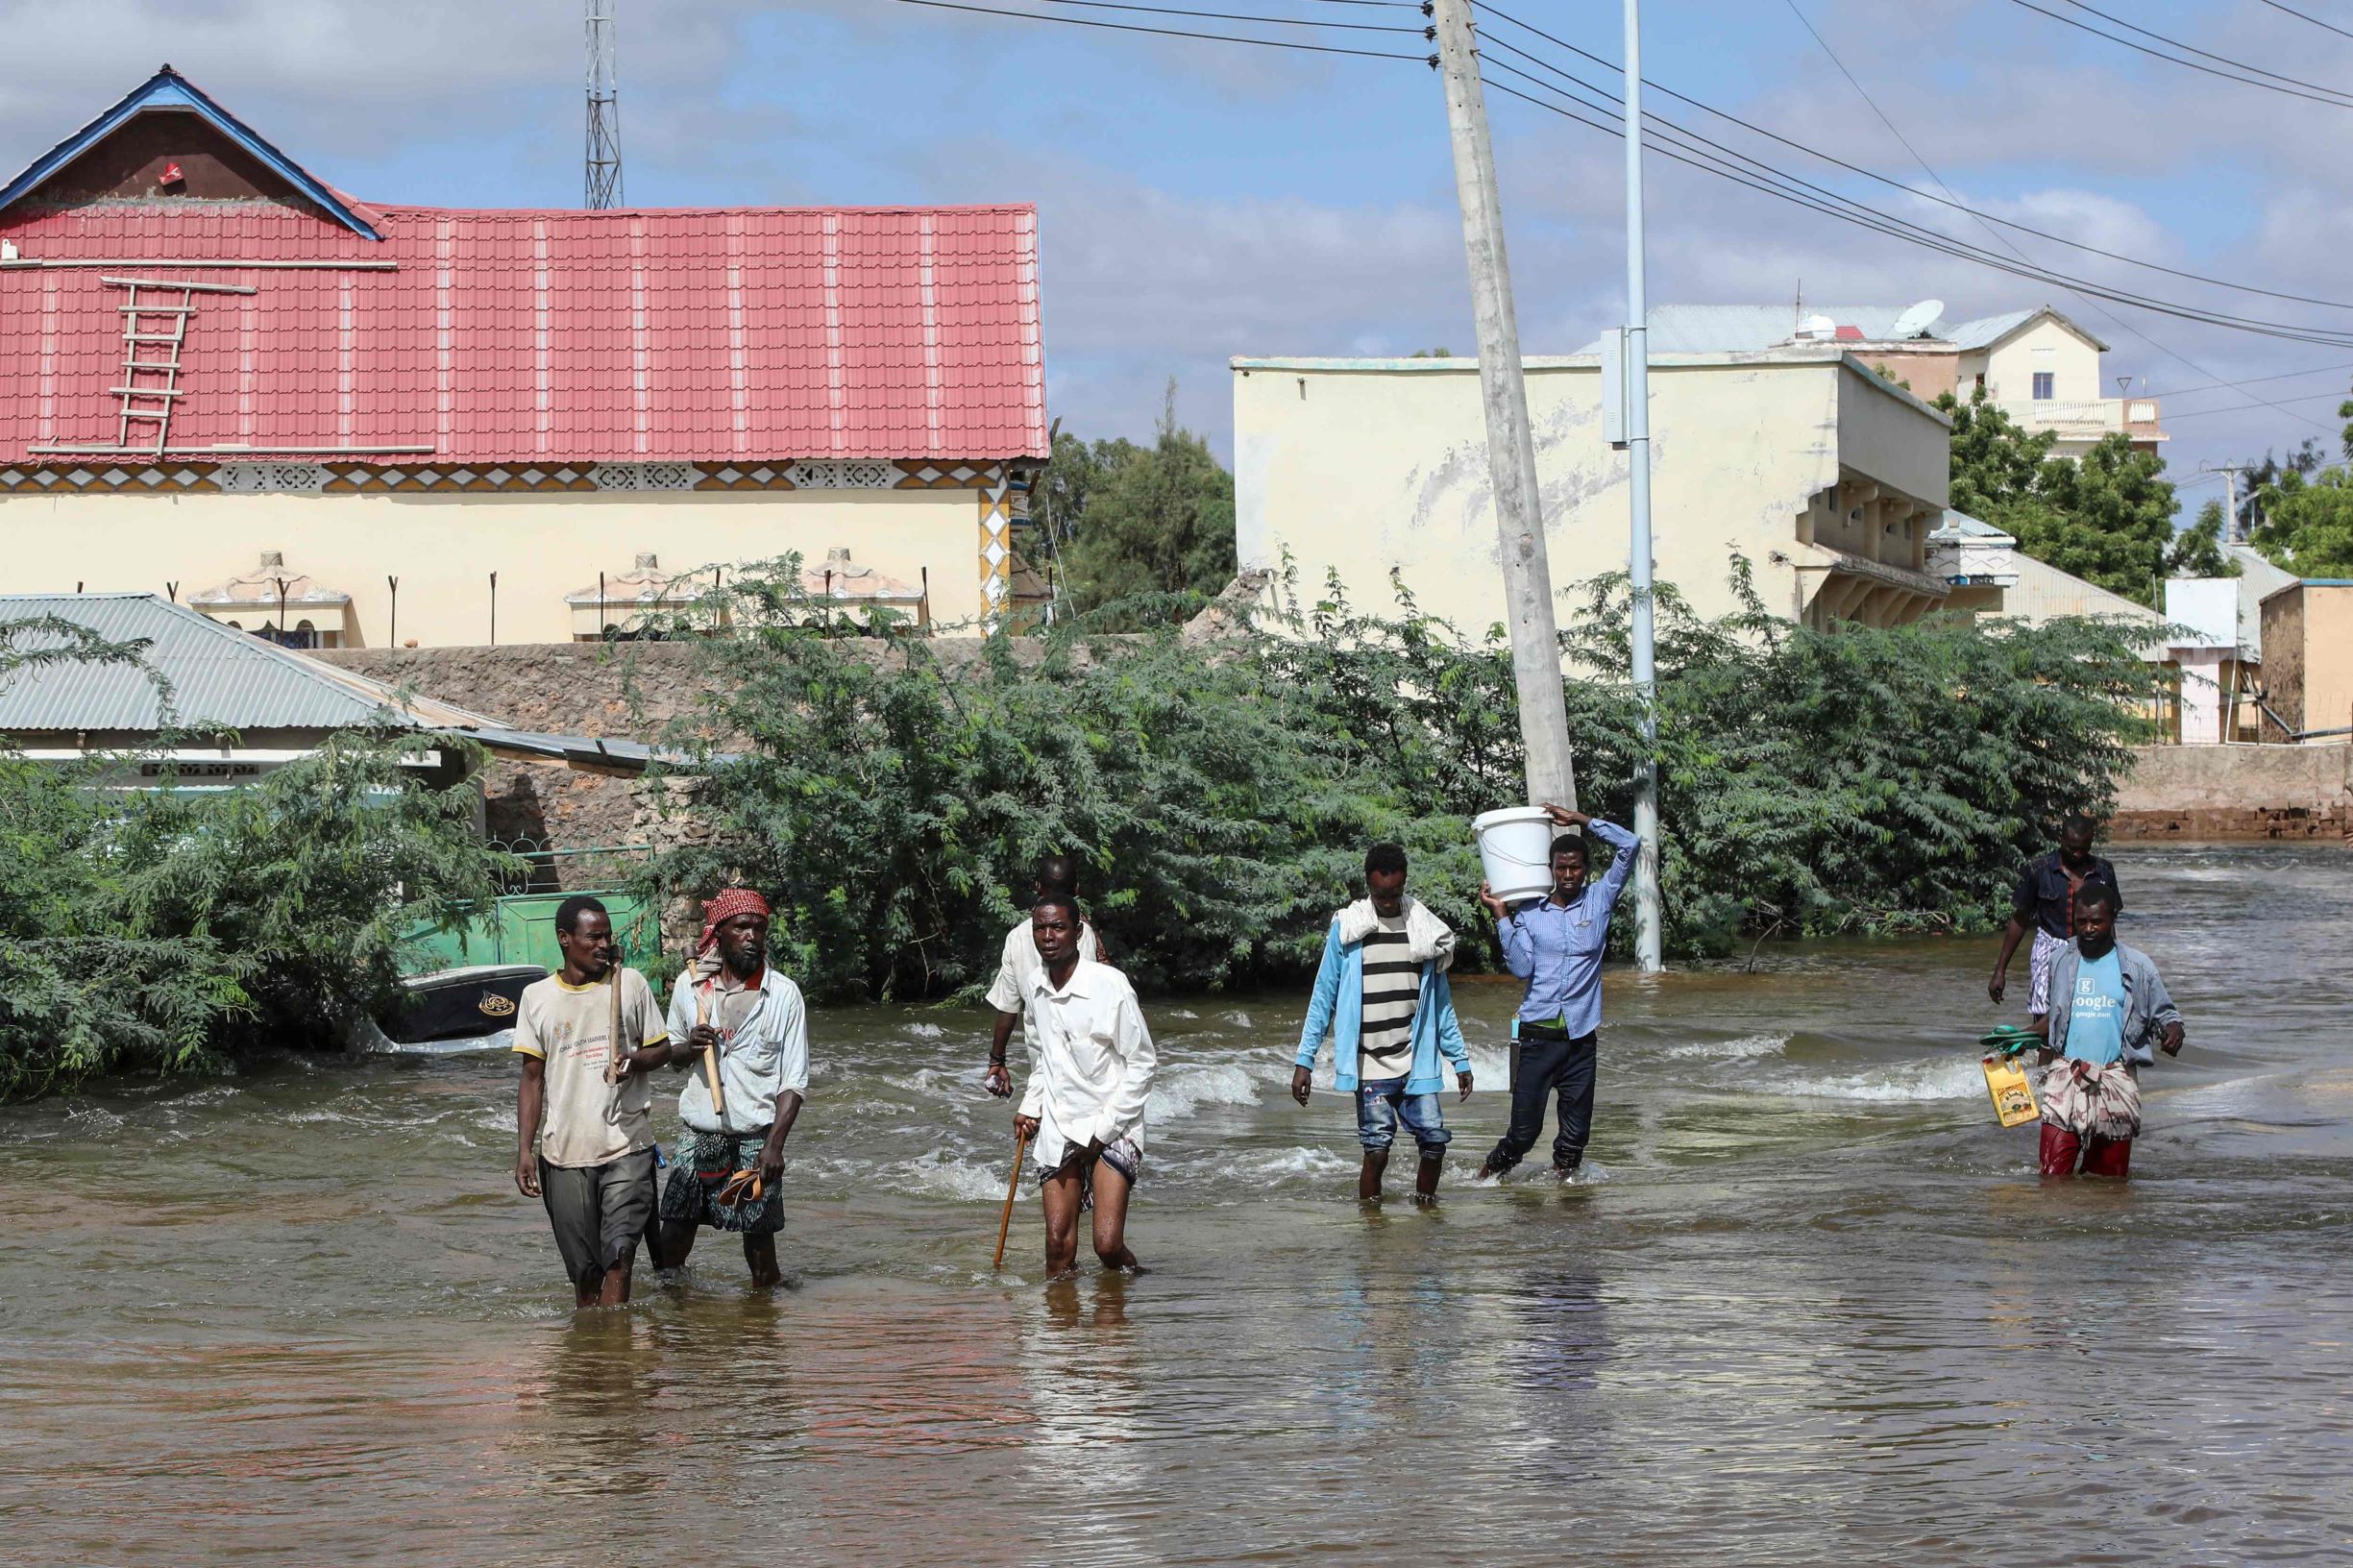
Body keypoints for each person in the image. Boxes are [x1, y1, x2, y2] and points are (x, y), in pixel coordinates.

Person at [1289, 842, 1474, 1203]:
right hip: (1369, 1066)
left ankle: (1427, 1217)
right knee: (1376, 1151)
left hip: (1415, 1061)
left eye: (1396, 893)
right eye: (1380, 895)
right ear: (1368, 886)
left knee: (1435, 1143)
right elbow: (1323, 998)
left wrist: (1459, 1058)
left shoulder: (1424, 930)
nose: (1388, 902)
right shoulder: (1349, 930)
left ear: (1404, 884)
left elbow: (1441, 1004)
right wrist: (1304, 1061)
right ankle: (1371, 1225)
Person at [511, 895, 673, 1308]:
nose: (603, 945)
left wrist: (634, 1061)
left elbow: (662, 1049)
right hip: (565, 1153)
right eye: (593, 937)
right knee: (585, 1277)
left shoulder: (629, 983)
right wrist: (525, 1151)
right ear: (565, 939)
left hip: (626, 1145)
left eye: (607, 937)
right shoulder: (536, 997)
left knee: (619, 1256)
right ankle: (591, 1346)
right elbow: (532, 1078)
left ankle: (615, 1344)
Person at [1476, 803, 1640, 1181]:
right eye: (1561, 867)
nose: (1568, 875)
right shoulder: (1529, 912)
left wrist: (1580, 820)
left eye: (1575, 867)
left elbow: (1630, 844)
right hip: (1537, 1039)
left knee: (1574, 1140)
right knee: (1523, 1135)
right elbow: (1521, 969)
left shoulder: (1599, 900)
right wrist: (1501, 916)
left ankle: (1567, 1205)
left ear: (1586, 870)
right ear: (1550, 869)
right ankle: (1482, 1182)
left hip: (1581, 1040)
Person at [657, 890, 808, 1289]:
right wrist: (689, 1047)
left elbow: (793, 1082)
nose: (751, 936)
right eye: (741, 927)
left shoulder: (783, 995)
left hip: (755, 1137)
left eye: (759, 928)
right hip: (698, 1133)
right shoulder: (692, 988)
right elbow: (672, 1056)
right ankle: (673, 1317)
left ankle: (762, 1323)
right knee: (672, 1239)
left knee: (760, 1251)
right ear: (719, 932)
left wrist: (774, 1146)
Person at [1012, 894, 1156, 1277]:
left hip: (1114, 1121)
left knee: (1107, 1246)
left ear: (1077, 932)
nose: (1048, 936)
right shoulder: (1034, 986)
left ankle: (1132, 1290)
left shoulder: (1110, 985)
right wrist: (1030, 1106)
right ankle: (1062, 1316)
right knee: (1057, 1248)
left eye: (1058, 927)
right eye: (1040, 928)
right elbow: (1044, 1059)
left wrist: (1104, 1129)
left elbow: (1143, 1062)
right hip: (1061, 1122)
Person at [2030, 885, 2184, 1179]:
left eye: (2096, 921)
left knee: (2108, 1185)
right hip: (2065, 1078)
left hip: (2115, 1080)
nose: (2088, 929)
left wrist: (2173, 1030)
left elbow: (2165, 1013)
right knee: (2050, 1179)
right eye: (2082, 921)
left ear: (2112, 918)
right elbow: (2056, 1018)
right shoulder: (2059, 960)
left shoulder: (2138, 966)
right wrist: (2019, 1038)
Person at [983, 854, 1104, 1099]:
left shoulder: (1017, 937)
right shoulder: (1082, 934)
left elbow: (1008, 1007)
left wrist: (997, 1060)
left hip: (1046, 1063)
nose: (1048, 938)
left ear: (1038, 886)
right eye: (1041, 930)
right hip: (1086, 1063)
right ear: (1077, 889)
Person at [1990, 814, 2124, 1022]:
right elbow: (2020, 920)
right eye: (2072, 847)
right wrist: (2000, 970)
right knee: (2045, 1015)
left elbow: (2109, 922)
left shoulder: (2104, 872)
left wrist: (2116, 964)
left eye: (2084, 848)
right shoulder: (2039, 871)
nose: (2078, 853)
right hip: (2049, 949)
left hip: (2092, 950)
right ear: (2062, 840)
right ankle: (2043, 1043)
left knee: (2091, 1010)